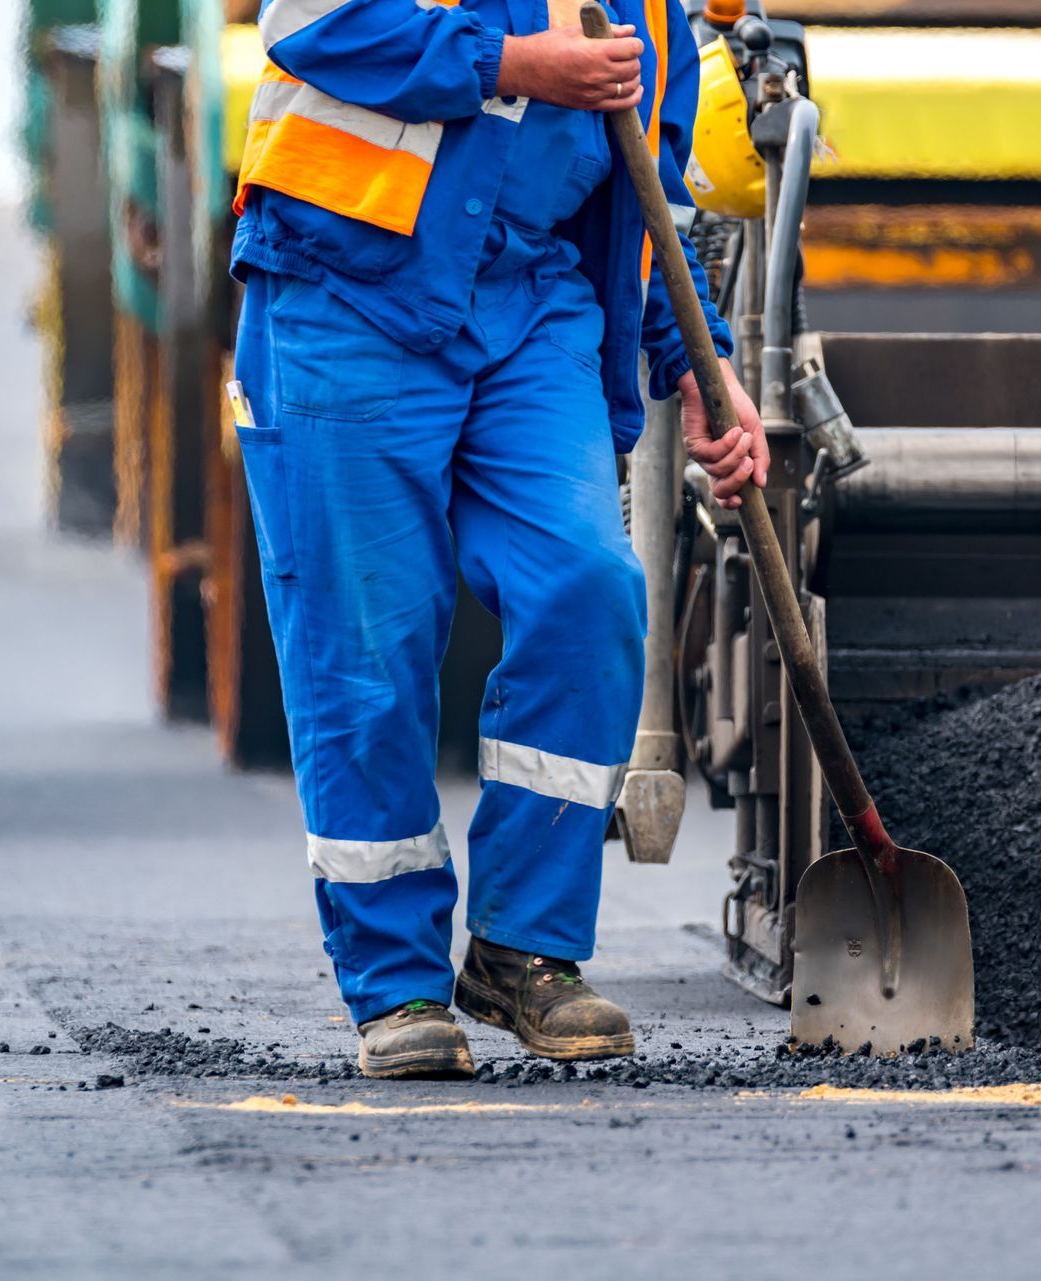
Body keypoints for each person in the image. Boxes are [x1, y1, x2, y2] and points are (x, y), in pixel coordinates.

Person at [228, 0, 766, 1078]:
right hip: (348, 292)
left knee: (588, 587)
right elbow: (308, 23)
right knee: (371, 647)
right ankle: (395, 987)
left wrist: (693, 368)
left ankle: (525, 950)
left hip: (530, 308)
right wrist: (514, 65)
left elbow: (641, 178)